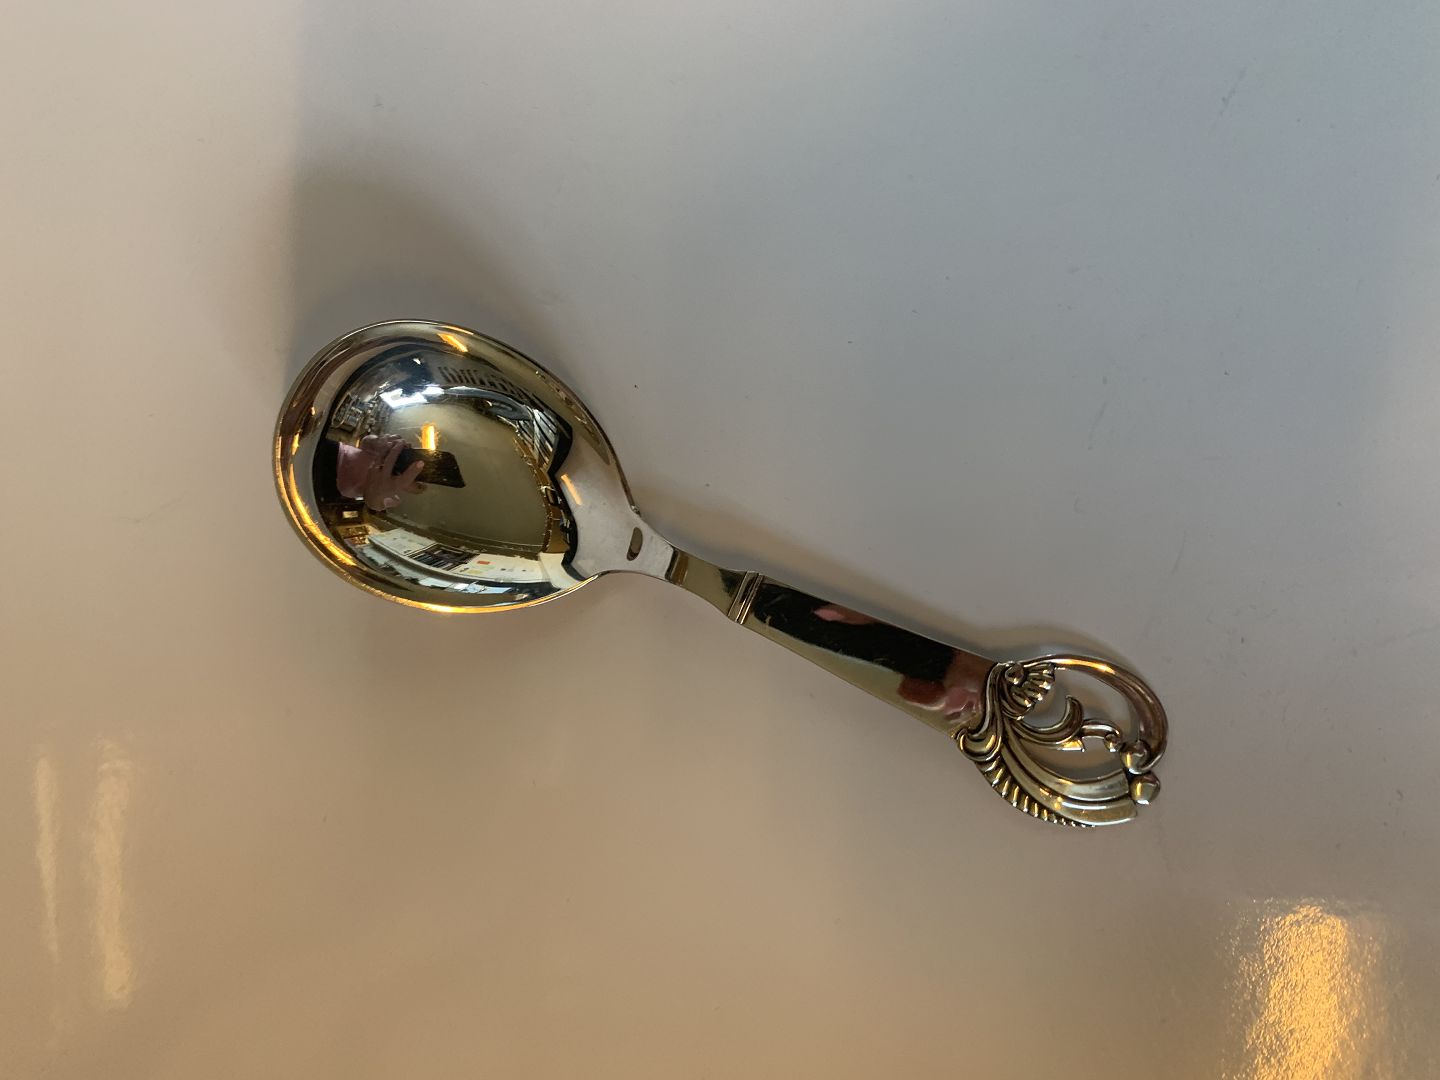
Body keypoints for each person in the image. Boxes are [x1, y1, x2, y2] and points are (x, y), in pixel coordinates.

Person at [335, 433, 426, 512]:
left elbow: (376, 503)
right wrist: (378, 442)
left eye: (419, 485)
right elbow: (366, 442)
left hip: (333, 486)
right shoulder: (386, 455)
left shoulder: (392, 495)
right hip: (335, 453)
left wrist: (374, 501)